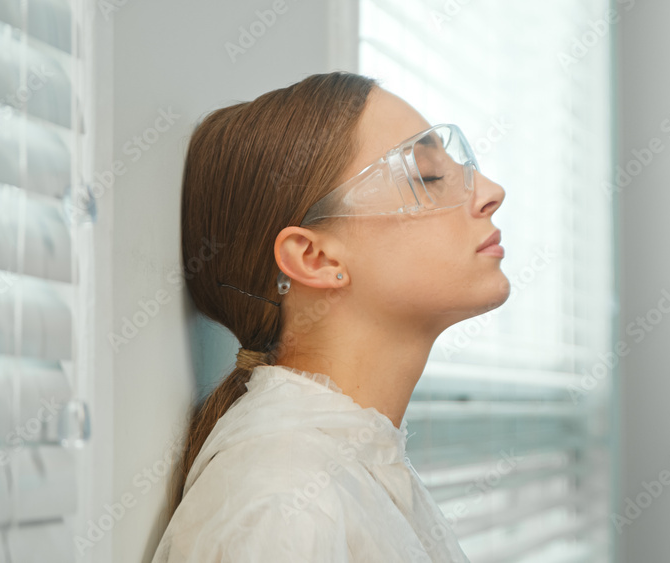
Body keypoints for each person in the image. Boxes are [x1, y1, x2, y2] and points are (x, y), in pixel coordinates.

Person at [152, 71, 509, 562]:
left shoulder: (362, 471)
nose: (491, 191)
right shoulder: (286, 505)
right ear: (314, 259)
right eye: (427, 175)